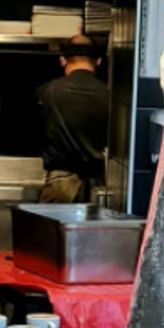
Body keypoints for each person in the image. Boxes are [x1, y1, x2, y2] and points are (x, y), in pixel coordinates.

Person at [35, 34, 108, 203]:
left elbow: (35, 134)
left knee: (53, 230)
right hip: (99, 187)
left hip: (60, 186)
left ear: (63, 60)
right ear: (98, 61)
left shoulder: (47, 92)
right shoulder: (112, 95)